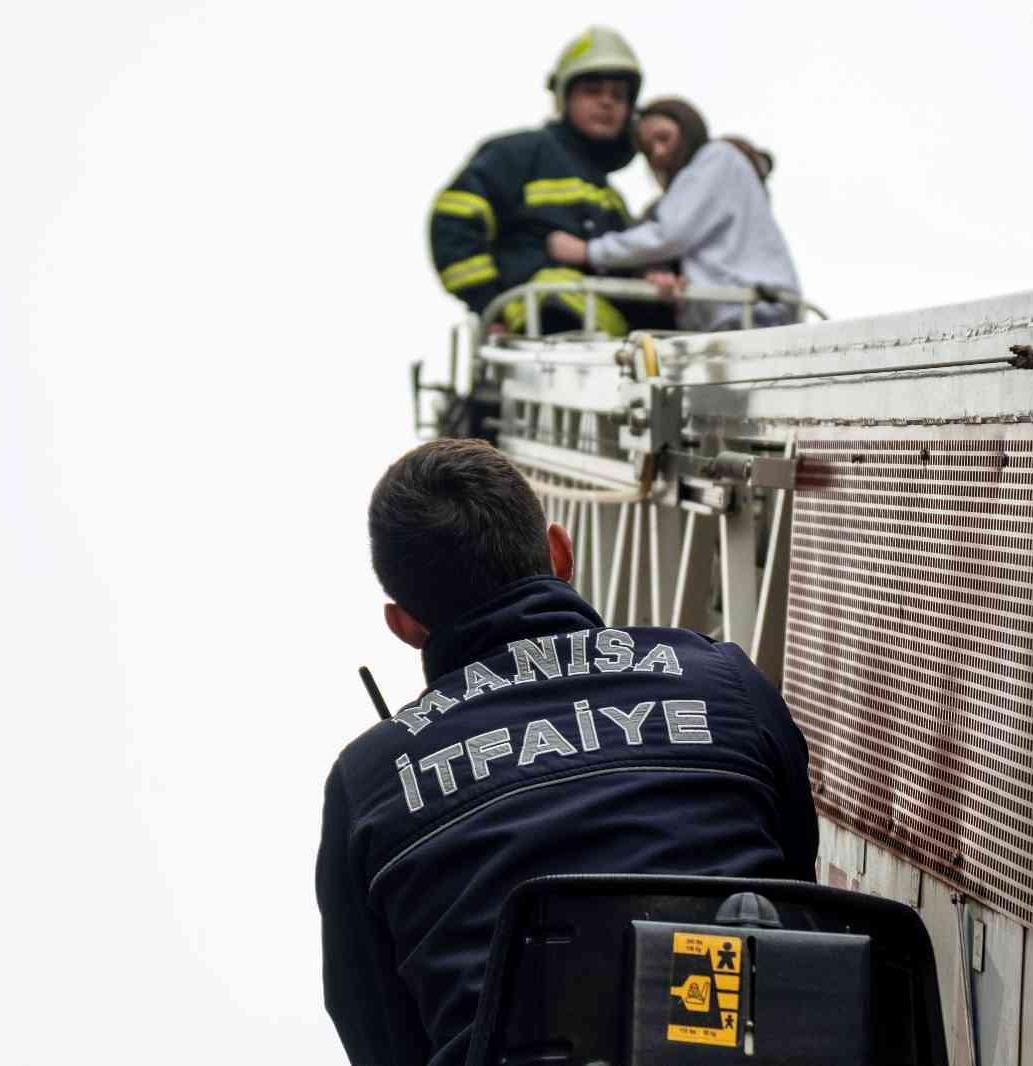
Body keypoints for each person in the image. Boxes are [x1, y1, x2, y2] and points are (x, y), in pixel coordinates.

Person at [316, 438, 818, 1065]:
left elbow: (383, 1040)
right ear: (559, 551)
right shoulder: (724, 680)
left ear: (405, 624)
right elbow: (804, 897)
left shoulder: (370, 782)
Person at [428, 27, 656, 336]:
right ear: (563, 97)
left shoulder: (610, 198)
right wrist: (491, 305)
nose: (607, 102)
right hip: (540, 339)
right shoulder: (520, 153)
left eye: (618, 95)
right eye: (592, 90)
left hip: (608, 356)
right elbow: (453, 223)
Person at [546, 97, 802, 332]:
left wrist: (588, 251)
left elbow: (670, 234)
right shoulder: (683, 196)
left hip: (754, 311)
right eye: (648, 149)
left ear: (687, 128)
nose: (657, 152)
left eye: (663, 138)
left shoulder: (717, 158)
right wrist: (659, 275)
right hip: (726, 317)